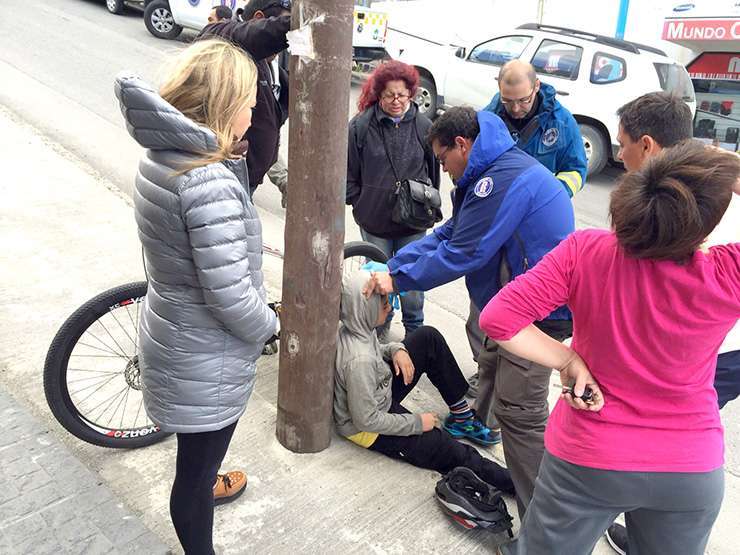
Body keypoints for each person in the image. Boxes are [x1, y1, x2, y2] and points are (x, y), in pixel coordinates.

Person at [484, 140, 739, 555]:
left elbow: (498, 318)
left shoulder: (586, 252)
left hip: (589, 456)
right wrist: (726, 165)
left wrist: (566, 358)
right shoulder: (728, 274)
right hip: (689, 466)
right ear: (705, 227)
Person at [364, 106, 575, 517]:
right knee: (491, 364)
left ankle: (548, 521)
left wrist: (398, 281)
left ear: (462, 145)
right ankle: (474, 422)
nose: (443, 171)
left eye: (443, 160)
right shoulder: (490, 169)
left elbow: (462, 252)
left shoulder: (499, 180)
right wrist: (393, 267)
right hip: (514, 301)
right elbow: (450, 233)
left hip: (540, 313)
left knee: (522, 413)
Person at [115, 40, 278, 554]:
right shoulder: (207, 180)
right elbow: (230, 298)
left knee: (196, 460)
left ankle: (206, 486)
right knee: (194, 473)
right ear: (224, 104)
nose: (255, 113)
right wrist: (270, 328)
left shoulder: (164, 156)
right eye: (250, 102)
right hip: (206, 354)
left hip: (174, 328)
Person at [602, 91, 740, 554]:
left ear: (648, 145)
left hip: (713, 351)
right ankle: (648, 533)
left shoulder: (703, 197)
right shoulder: (674, 191)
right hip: (697, 344)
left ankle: (652, 539)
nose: (619, 157)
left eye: (623, 145)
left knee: (662, 446)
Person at [466, 59, 587, 398]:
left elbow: (577, 169)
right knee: (483, 306)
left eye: (522, 100)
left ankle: (509, 378)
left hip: (534, 232)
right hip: (497, 225)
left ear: (536, 87)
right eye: (509, 101)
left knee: (524, 306)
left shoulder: (561, 124)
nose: (516, 108)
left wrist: (550, 195)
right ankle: (485, 372)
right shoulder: (490, 117)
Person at [334, 270, 514, 492]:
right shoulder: (358, 361)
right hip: (369, 427)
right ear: (365, 310)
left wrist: (396, 348)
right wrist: (418, 423)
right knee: (451, 450)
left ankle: (462, 418)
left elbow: (374, 351)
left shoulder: (359, 327)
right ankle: (517, 485)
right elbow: (366, 421)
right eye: (383, 306)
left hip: (377, 391)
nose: (390, 308)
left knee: (428, 338)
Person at [346, 60, 440, 338]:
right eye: (389, 95)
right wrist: (360, 201)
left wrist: (427, 205)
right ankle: (378, 329)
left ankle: (414, 332)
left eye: (402, 95)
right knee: (377, 278)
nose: (396, 101)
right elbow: (349, 173)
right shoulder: (361, 126)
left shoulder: (425, 127)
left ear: (411, 94)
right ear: (379, 95)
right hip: (374, 221)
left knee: (412, 280)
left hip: (413, 222)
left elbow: (435, 175)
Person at [198, 0, 291, 199]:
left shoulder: (268, 62)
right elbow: (220, 34)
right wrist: (293, 25)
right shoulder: (224, 39)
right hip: (225, 177)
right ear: (259, 20)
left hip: (247, 177)